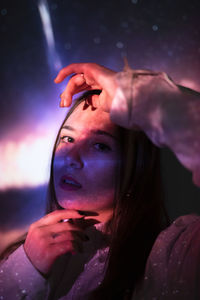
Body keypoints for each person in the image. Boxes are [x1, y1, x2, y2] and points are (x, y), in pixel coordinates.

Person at [1, 61, 200, 299]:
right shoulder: (27, 251)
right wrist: (27, 268)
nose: (70, 158)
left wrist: (136, 94)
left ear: (137, 165)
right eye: (67, 139)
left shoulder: (175, 253)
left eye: (99, 145)